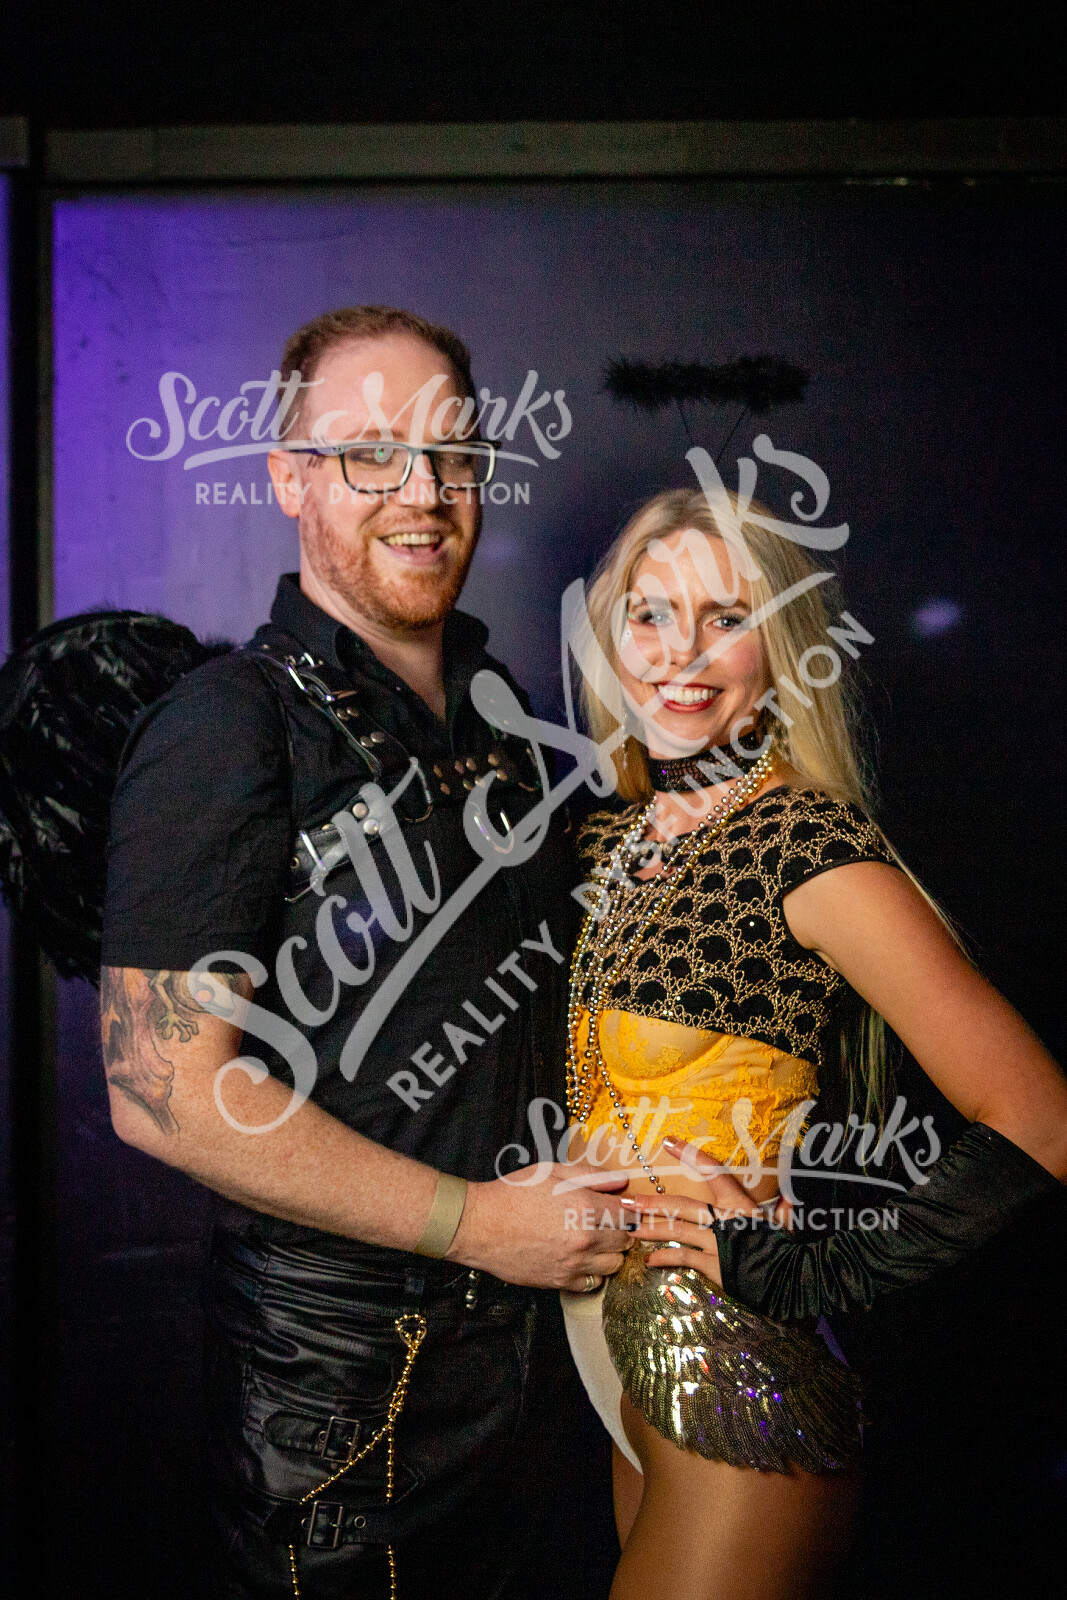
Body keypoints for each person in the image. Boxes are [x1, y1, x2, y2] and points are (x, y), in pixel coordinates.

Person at [99, 305, 631, 1599]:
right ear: (288, 478)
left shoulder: (506, 727)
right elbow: (160, 1092)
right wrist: (480, 1224)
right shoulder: (227, 725)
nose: (424, 491)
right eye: (371, 453)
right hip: (341, 1395)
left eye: (451, 454)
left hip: (542, 1362)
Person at [561, 487, 1067, 1600]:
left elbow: (1041, 1120)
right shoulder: (619, 835)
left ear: (780, 646)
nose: (680, 653)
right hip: (609, 1344)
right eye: (649, 615)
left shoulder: (805, 842)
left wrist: (810, 1266)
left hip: (729, 1361)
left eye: (724, 618)